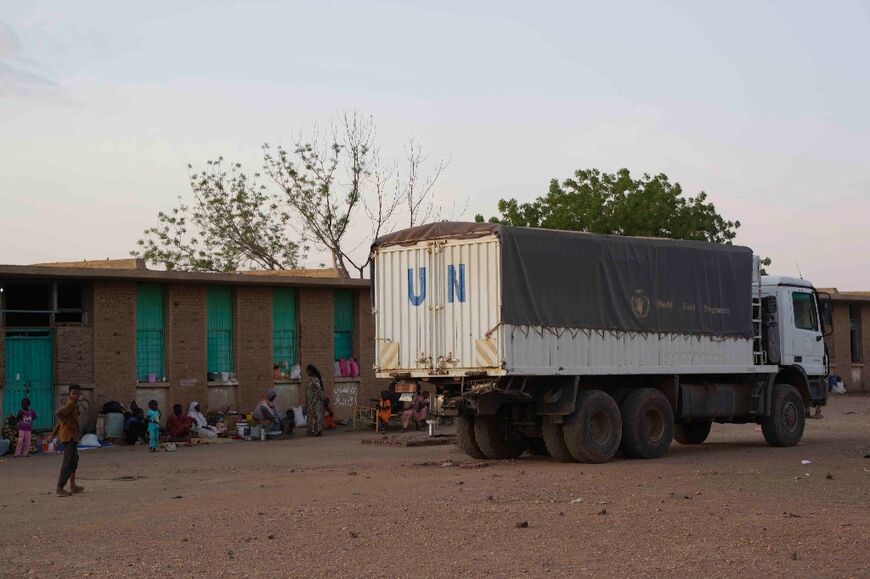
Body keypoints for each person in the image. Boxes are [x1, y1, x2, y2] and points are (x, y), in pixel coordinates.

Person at [54, 384, 84, 497]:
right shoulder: (71, 404)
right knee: (68, 461)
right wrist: (70, 424)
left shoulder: (74, 405)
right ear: (69, 394)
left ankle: (73, 485)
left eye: (77, 393)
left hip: (73, 436)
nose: (76, 395)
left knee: (74, 459)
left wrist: (52, 435)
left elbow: (61, 421)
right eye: (73, 393)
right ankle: (60, 487)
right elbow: (59, 414)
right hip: (69, 437)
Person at [305, 364, 325, 437]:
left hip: (315, 403)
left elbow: (319, 390)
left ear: (311, 371)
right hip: (312, 403)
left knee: (315, 417)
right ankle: (315, 431)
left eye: (307, 371)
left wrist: (320, 399)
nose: (307, 373)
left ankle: (316, 431)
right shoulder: (313, 379)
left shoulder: (315, 380)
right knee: (315, 417)